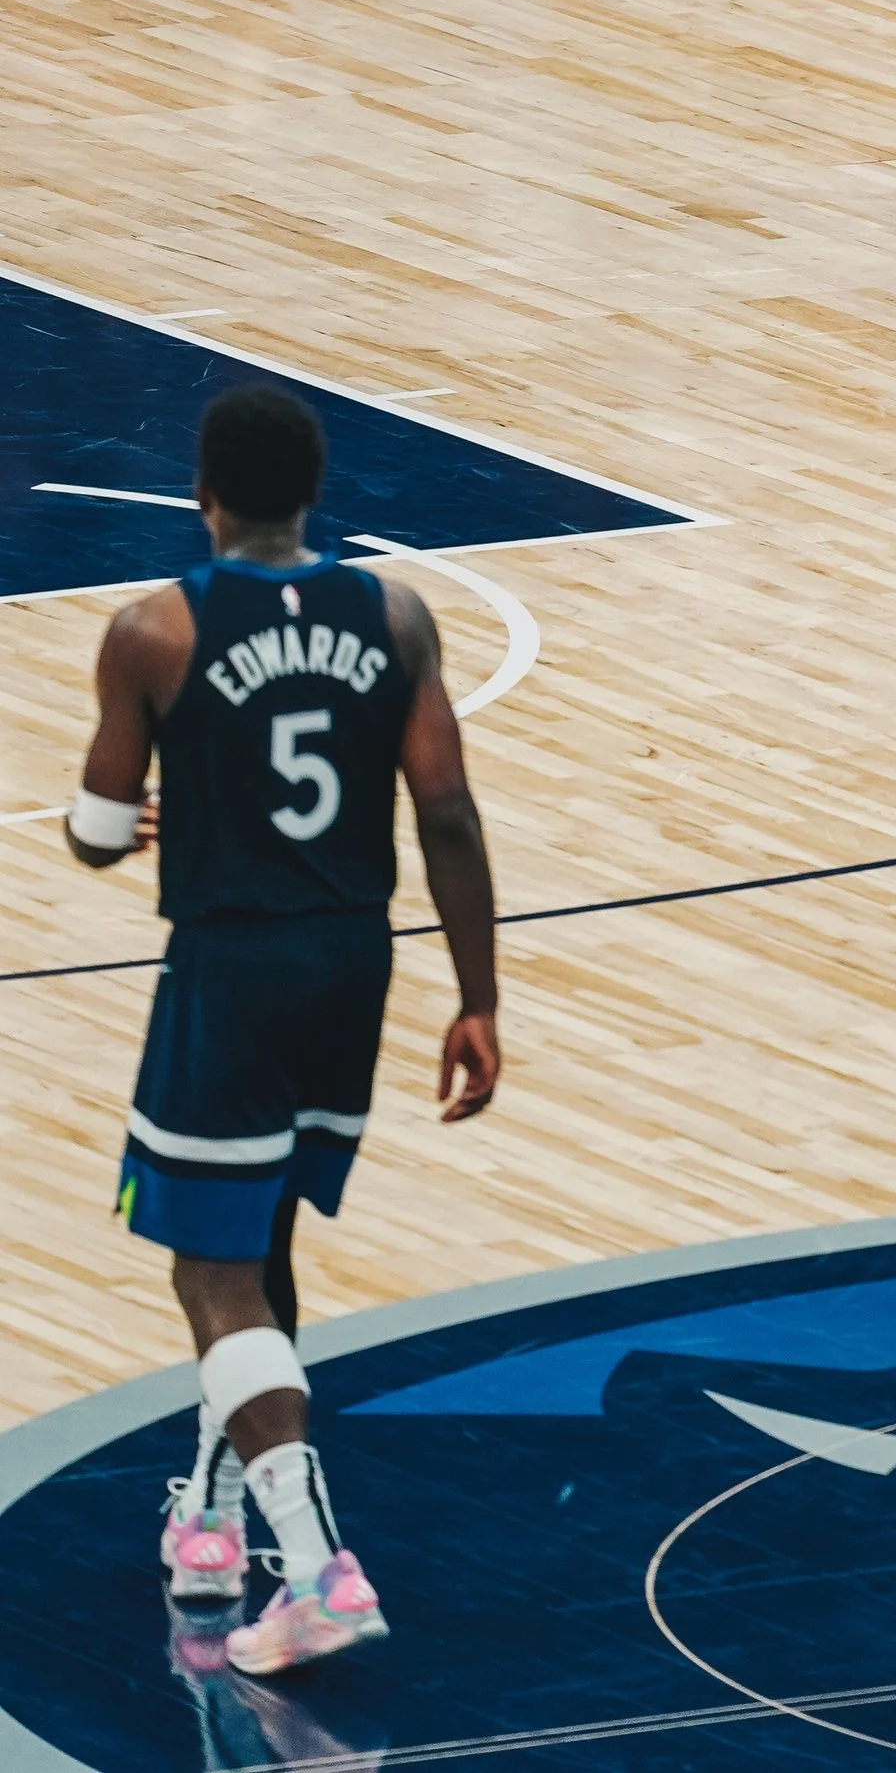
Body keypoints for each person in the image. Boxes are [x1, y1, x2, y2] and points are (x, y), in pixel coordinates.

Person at [66, 383, 497, 1675]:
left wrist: (151, 818)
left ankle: (316, 1568)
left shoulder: (155, 628)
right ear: (314, 491)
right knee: (255, 1243)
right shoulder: (397, 613)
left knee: (212, 1266)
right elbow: (450, 811)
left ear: (202, 491)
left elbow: (92, 834)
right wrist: (478, 993)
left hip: (232, 961)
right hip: (351, 959)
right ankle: (208, 1524)